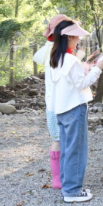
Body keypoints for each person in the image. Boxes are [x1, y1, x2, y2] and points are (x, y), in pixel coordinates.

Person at [49, 20, 103, 202]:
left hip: (62, 109)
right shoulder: (71, 60)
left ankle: (68, 186)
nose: (79, 39)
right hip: (74, 108)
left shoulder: (56, 57)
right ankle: (72, 191)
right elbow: (82, 83)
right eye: (77, 36)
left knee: (67, 150)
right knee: (76, 150)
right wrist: (98, 68)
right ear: (69, 37)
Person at [32, 14, 72, 189]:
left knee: (57, 139)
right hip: (62, 104)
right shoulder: (60, 54)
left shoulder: (51, 50)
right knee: (63, 140)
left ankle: (58, 177)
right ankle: (61, 177)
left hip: (52, 104)